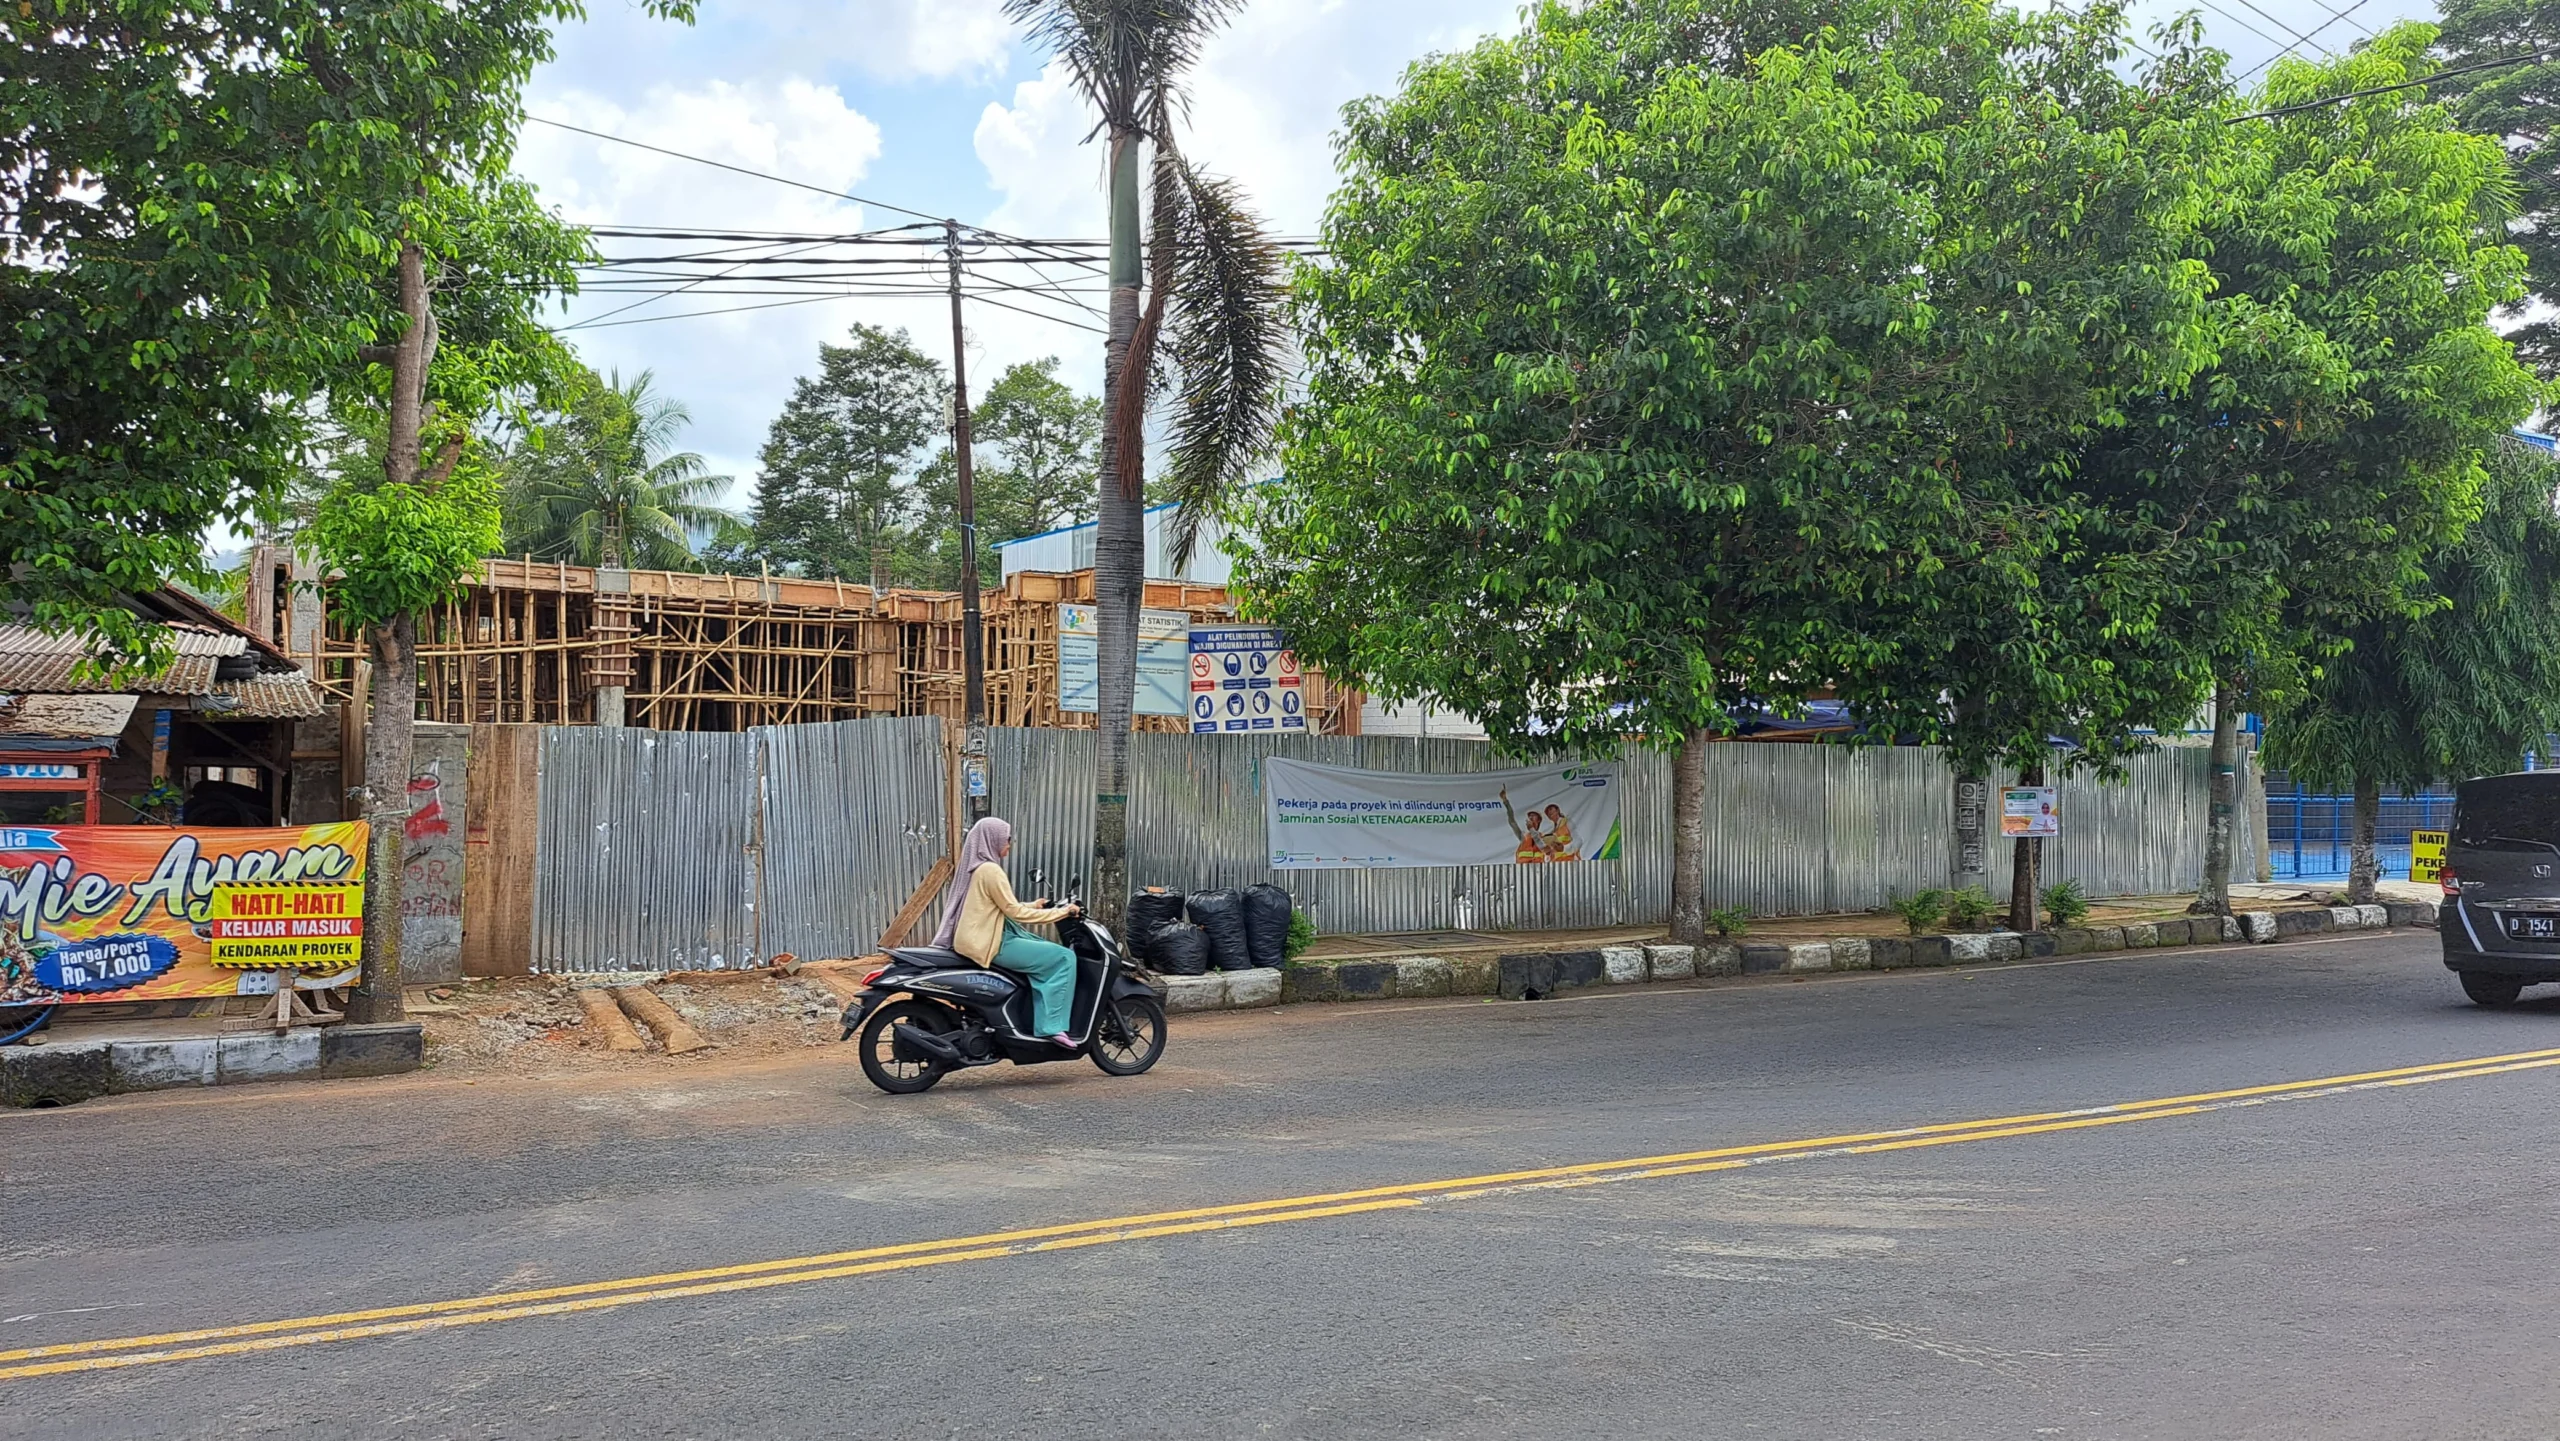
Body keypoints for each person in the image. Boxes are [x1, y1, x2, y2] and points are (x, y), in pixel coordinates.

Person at [929, 817, 1082, 1046]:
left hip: (980, 937)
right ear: (993, 839)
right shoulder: (991, 870)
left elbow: (999, 906)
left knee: (1044, 952)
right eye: (1007, 838)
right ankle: (1051, 1027)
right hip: (992, 942)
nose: (1009, 843)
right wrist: (1063, 913)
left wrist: (1033, 904)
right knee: (1063, 958)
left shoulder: (978, 867)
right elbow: (1016, 913)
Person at [1500, 787, 1547, 864]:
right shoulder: (1524, 835)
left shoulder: (1544, 836)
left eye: (1533, 816)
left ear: (1539, 820)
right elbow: (1512, 822)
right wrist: (1505, 801)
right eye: (1529, 816)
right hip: (1522, 870)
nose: (1530, 817)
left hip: (1539, 870)